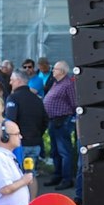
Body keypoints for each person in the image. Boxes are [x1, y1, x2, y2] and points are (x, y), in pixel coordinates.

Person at [43, 61, 78, 189]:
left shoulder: (68, 84)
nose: (53, 70)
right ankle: (58, 175)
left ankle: (67, 178)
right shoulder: (56, 83)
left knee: (64, 151)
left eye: (55, 69)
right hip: (53, 120)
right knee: (55, 151)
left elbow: (74, 103)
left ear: (62, 71)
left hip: (63, 120)